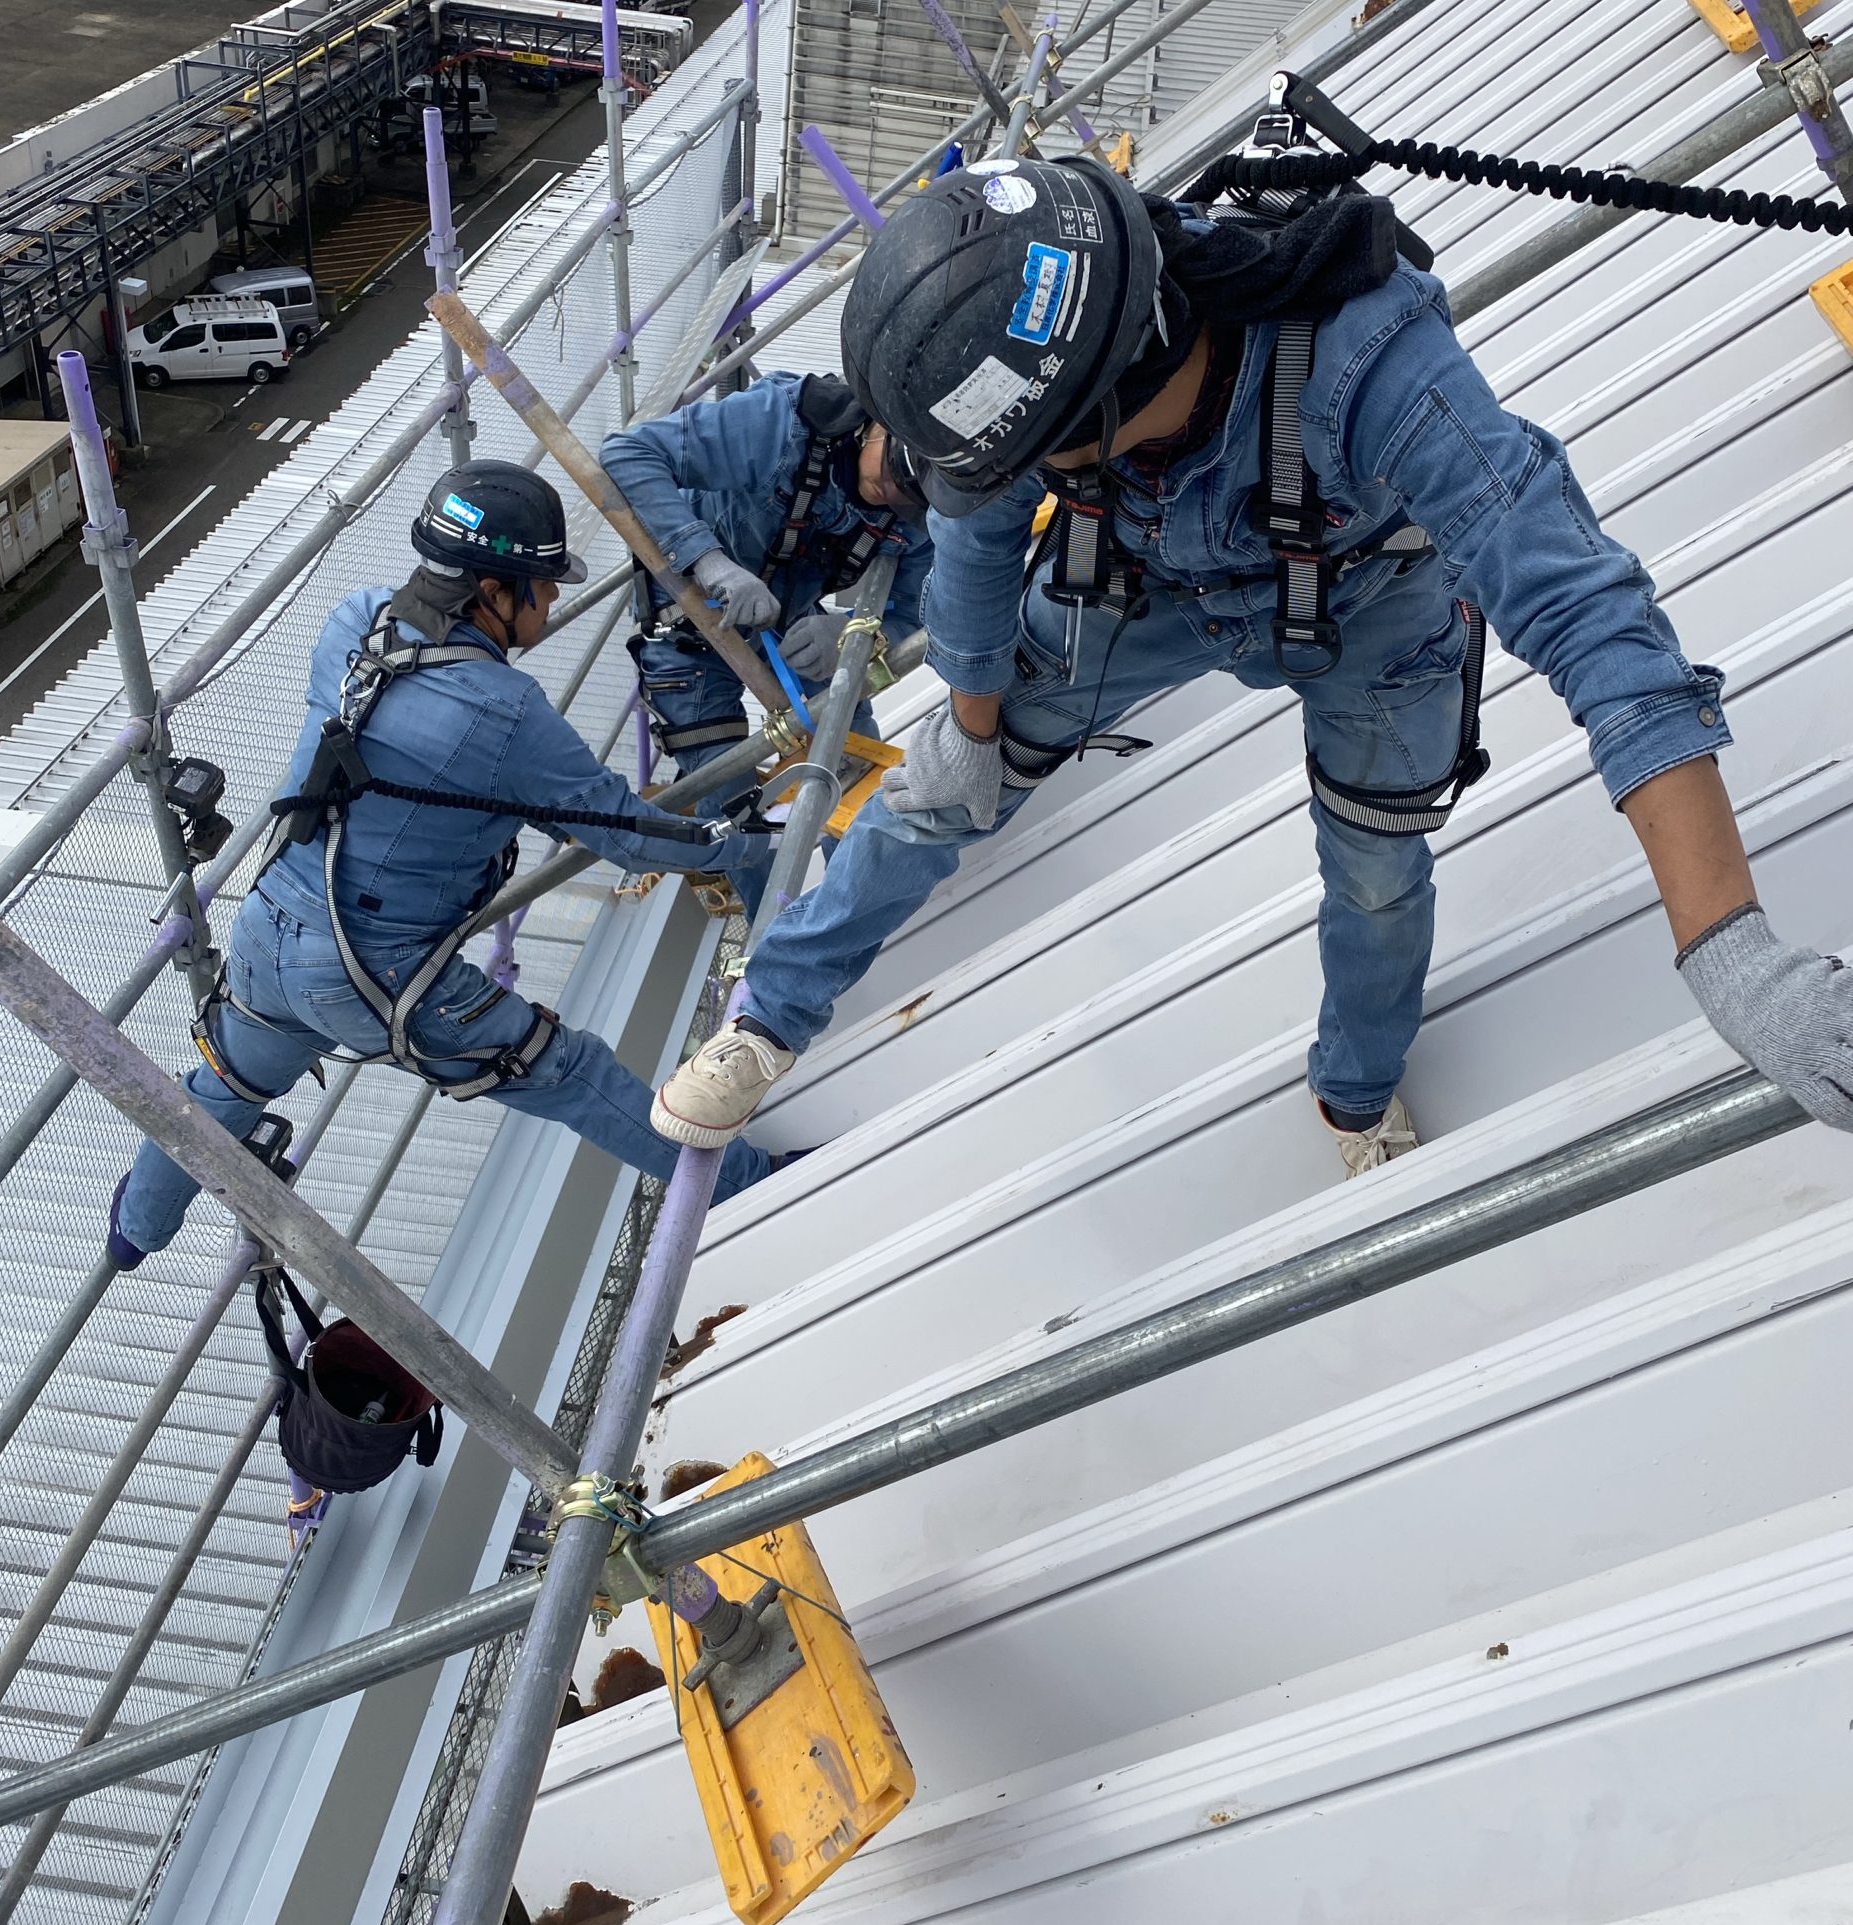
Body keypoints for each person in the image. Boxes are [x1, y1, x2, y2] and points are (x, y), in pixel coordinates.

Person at [649, 154, 1853, 1171]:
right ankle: (772, 1015)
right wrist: (971, 719)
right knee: (929, 795)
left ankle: (1355, 1086)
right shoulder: (1046, 364)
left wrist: (1732, 950)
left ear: (1113, 401)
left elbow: (1590, 613)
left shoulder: (1373, 370)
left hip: (1373, 605)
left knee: (1377, 867)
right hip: (1139, 587)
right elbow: (971, 529)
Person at [110, 459, 779, 1268]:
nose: (554, 601)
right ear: (495, 592)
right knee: (567, 1070)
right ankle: (754, 1185)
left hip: (266, 937)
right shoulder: (505, 712)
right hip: (378, 975)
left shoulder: (351, 624)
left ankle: (133, 1235)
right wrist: (752, 841)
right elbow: (628, 836)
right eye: (542, 585)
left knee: (222, 1092)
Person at [600, 371, 932, 917]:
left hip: (792, 624)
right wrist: (710, 565)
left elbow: (918, 609)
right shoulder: (782, 424)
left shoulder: (925, 498)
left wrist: (857, 635)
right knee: (732, 807)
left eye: (909, 496)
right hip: (691, 632)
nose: (890, 495)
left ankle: (848, 916)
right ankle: (768, 941)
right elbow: (628, 455)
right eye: (892, 475)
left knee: (854, 768)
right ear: (876, 425)